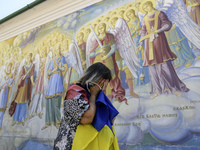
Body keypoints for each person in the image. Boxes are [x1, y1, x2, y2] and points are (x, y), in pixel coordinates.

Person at [54, 62, 119, 150]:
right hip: (70, 144)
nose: (104, 86)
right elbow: (87, 118)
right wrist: (93, 95)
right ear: (95, 78)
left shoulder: (98, 95)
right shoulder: (74, 92)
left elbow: (111, 119)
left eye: (106, 83)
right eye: (103, 82)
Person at [139, 1, 189, 99]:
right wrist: (141, 42)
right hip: (148, 44)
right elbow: (143, 31)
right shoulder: (144, 18)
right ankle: (158, 90)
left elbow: (167, 24)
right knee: (152, 67)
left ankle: (172, 88)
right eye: (144, 7)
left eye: (147, 6)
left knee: (164, 64)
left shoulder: (159, 13)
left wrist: (158, 30)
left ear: (151, 4)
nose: (146, 8)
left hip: (159, 41)